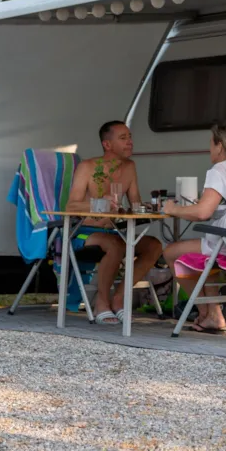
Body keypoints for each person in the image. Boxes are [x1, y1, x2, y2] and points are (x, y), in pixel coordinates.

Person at [163, 122, 226, 333]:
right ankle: (213, 313)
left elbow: (202, 213)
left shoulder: (219, 170)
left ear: (219, 146)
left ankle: (206, 313)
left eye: (211, 144)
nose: (209, 149)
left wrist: (173, 209)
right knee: (206, 253)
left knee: (170, 252)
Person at [65, 121, 163, 325]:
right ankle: (101, 302)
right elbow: (70, 207)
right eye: (123, 138)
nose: (130, 142)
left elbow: (135, 203)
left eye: (130, 137)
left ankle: (118, 299)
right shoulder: (88, 167)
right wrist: (98, 203)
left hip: (114, 232)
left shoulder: (130, 166)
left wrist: (152, 207)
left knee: (154, 245)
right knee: (115, 245)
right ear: (107, 145)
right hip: (84, 232)